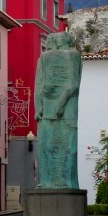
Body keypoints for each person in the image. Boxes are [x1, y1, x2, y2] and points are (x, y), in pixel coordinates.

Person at [34, 31, 82, 189]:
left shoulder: (73, 56)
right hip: (48, 109)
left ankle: (62, 181)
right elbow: (40, 85)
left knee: (64, 145)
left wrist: (60, 105)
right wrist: (39, 107)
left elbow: (73, 85)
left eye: (57, 37)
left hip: (64, 110)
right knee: (47, 144)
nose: (53, 39)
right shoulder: (45, 58)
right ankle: (47, 181)